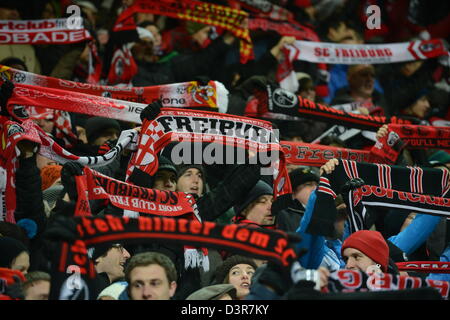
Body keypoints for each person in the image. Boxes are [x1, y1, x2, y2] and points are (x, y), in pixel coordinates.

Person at [276, 167, 320, 232]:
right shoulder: (283, 216)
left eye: (317, 185)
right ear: (292, 192)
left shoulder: (325, 215)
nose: (315, 188)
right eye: (308, 184)